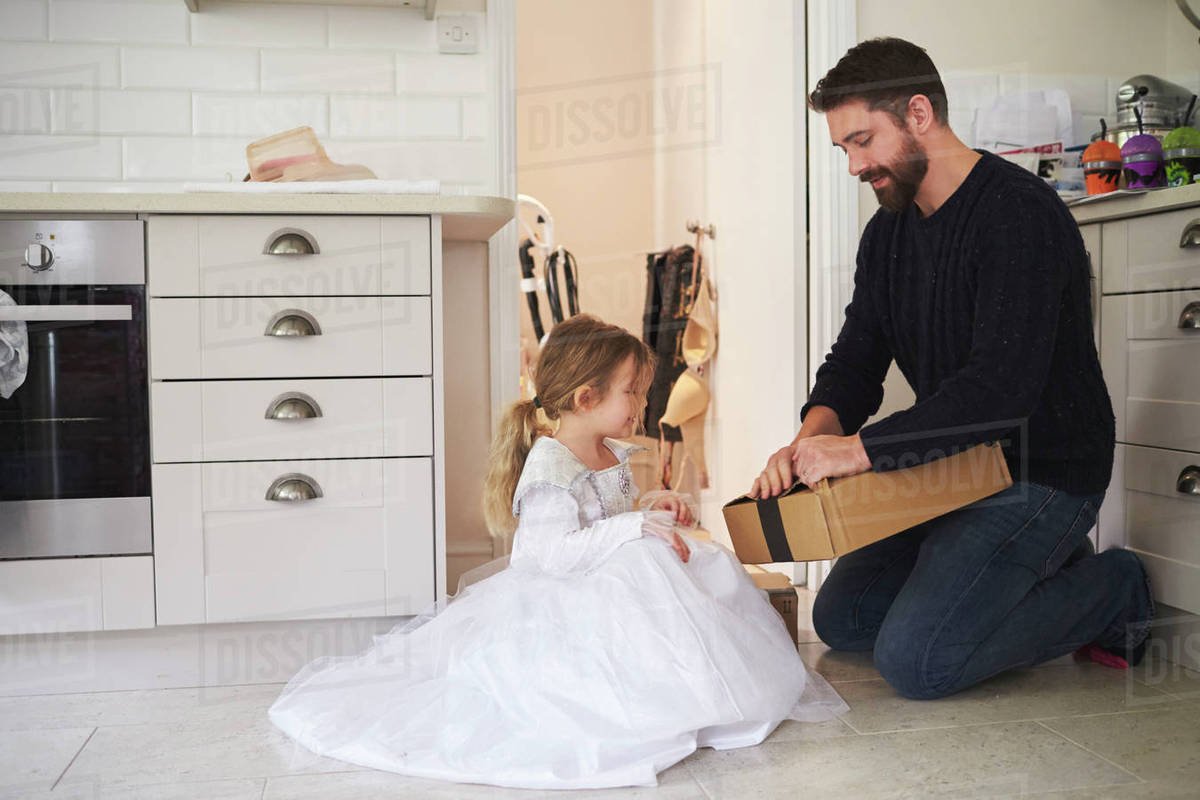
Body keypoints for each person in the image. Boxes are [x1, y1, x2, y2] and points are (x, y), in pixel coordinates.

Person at [269, 313, 848, 790]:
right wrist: (633, 532)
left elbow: (613, 515)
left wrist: (654, 506)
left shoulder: (605, 448)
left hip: (610, 576)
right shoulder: (551, 465)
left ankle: (702, 692)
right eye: (632, 392)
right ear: (586, 395)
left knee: (700, 566)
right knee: (638, 581)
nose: (641, 404)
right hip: (565, 594)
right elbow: (545, 556)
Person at [749, 38, 1154, 700]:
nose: (853, 165)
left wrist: (857, 451)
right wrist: (807, 443)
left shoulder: (1019, 215)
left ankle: (1113, 589)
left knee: (919, 662)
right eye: (843, 149)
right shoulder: (889, 233)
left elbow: (999, 392)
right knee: (842, 617)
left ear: (917, 113)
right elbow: (855, 361)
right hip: (954, 467)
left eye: (861, 141)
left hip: (1042, 469)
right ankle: (1028, 570)